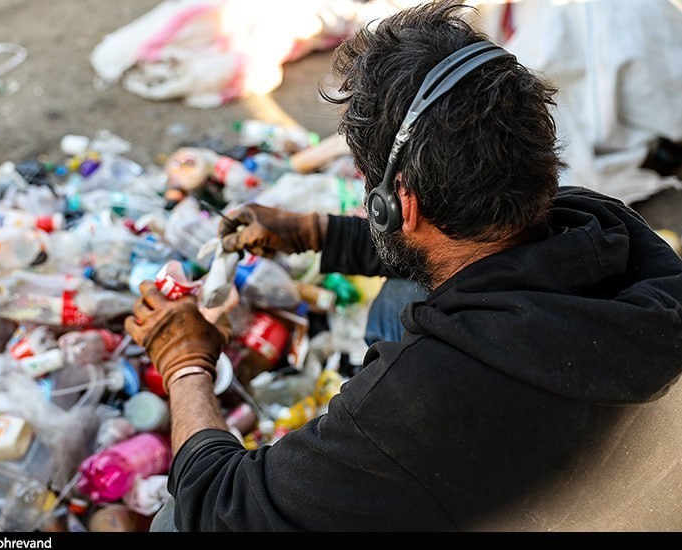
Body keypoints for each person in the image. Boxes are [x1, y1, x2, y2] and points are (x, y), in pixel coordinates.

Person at [124, 0, 682, 532]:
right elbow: (466, 247)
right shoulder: (607, 228)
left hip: (541, 490)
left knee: (173, 521)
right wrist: (317, 233)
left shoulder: (416, 402)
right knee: (399, 299)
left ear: (399, 204)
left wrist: (185, 365)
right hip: (618, 481)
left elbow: (224, 508)